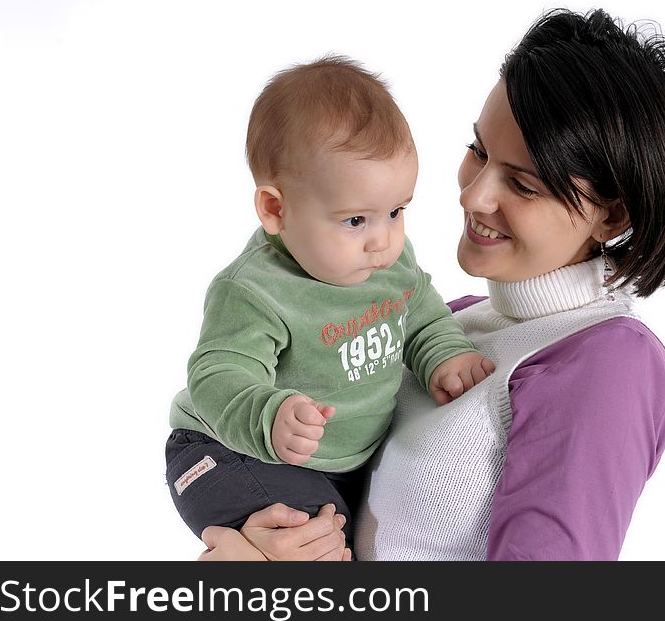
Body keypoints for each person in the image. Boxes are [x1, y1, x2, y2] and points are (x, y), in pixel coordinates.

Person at [196, 6, 665, 561]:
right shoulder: (447, 321)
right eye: (478, 151)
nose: (471, 196)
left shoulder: (609, 360)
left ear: (611, 217)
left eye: (522, 184)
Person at [165, 56, 495, 556]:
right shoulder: (255, 290)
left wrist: (445, 355)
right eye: (355, 220)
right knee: (323, 542)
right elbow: (217, 374)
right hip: (229, 455)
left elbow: (421, 311)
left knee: (345, 537)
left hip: (338, 466)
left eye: (396, 211)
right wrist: (269, 414)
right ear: (277, 209)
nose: (382, 240)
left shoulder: (388, 260)